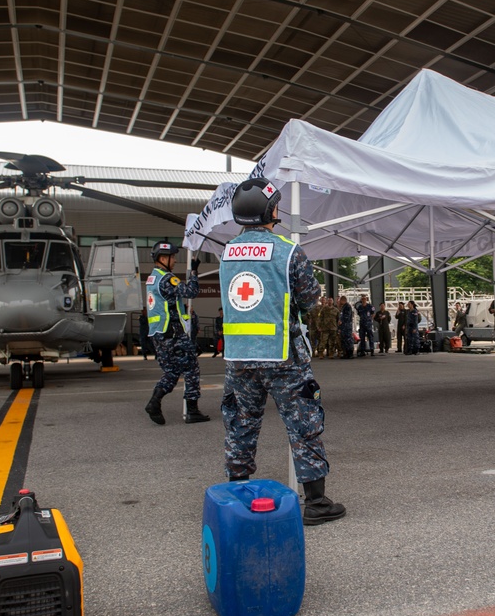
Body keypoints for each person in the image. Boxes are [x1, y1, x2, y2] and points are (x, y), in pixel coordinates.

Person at [219, 176, 345, 525]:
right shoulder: (288, 251)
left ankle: (236, 495)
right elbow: (308, 299)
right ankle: (316, 503)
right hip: (282, 355)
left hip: (239, 357)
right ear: (270, 210)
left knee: (240, 425)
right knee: (303, 423)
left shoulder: (226, 253)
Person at [143, 241, 210, 426]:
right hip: (173, 334)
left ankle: (154, 402)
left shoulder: (153, 279)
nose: (174, 261)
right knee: (191, 369)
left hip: (159, 334)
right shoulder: (167, 279)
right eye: (172, 257)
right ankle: (192, 410)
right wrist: (194, 273)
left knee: (171, 372)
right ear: (163, 258)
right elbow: (191, 292)